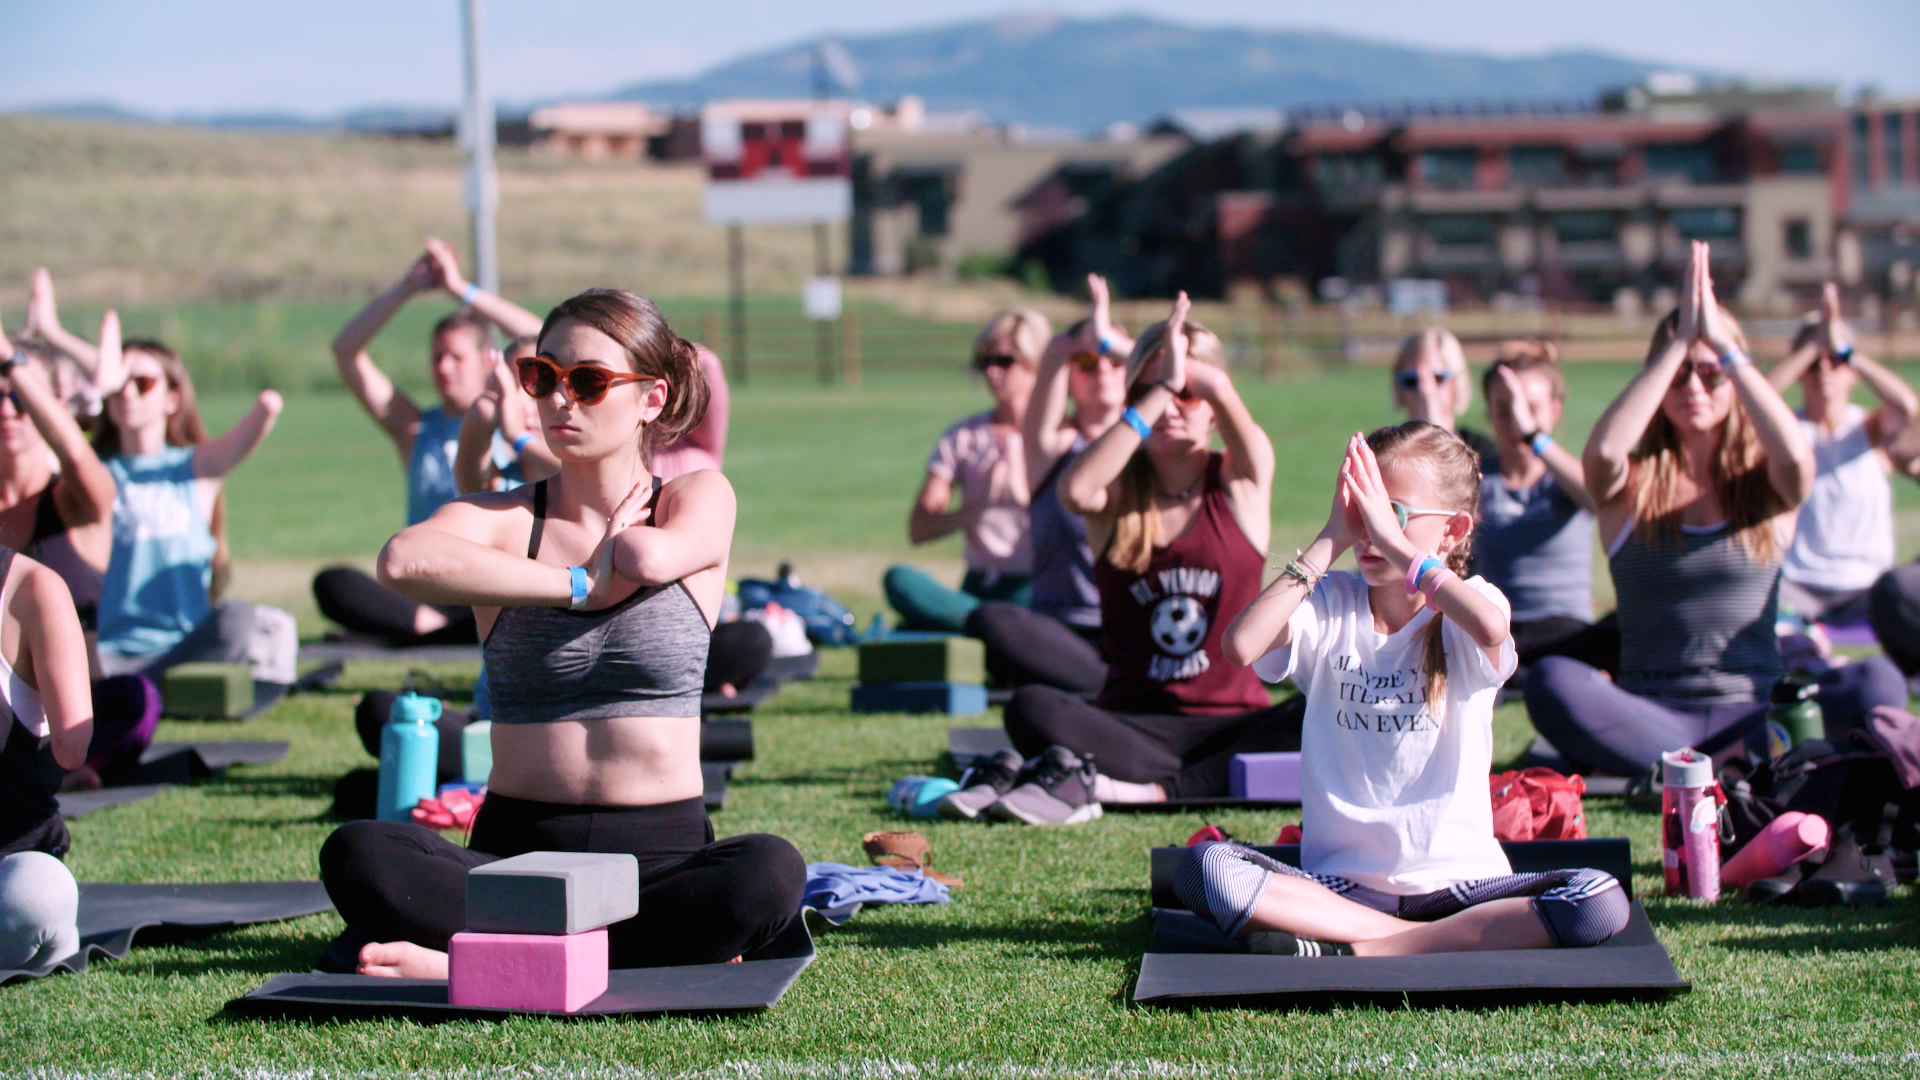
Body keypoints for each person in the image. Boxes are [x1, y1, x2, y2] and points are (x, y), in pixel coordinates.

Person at [318, 288, 804, 976]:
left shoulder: (695, 494)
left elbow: (648, 557)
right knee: (358, 852)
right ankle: (625, 959)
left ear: (652, 398)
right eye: (542, 377)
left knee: (770, 871)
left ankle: (480, 962)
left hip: (659, 858)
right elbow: (401, 559)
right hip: (517, 852)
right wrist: (574, 585)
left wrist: (612, 559)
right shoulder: (507, 518)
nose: (558, 400)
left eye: (587, 381)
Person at [1173, 423, 1628, 957]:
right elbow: (1241, 646)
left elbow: (1491, 630)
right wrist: (1330, 538)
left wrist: (1399, 549)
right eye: (1363, 511)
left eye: (1393, 513)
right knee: (1207, 869)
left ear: (1453, 529)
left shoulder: (1472, 603)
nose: (1372, 531)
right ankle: (1404, 942)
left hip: (1459, 886)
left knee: (1599, 898)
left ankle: (1356, 947)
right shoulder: (1331, 604)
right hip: (1339, 887)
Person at [1525, 243, 1907, 776]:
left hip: (1756, 708)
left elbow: (1797, 454)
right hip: (1650, 711)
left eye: (1710, 373)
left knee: (1878, 682)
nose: (1694, 386)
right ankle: (1723, 766)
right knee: (1552, 681)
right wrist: (1680, 340)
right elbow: (1605, 452)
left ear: (1734, 373)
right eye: (1679, 373)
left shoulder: (1767, 485)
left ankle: (1696, 767)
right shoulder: (1630, 487)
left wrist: (1726, 348)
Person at [952, 294, 1301, 825]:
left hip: (1235, 722)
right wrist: (1158, 389)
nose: (1174, 406)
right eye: (1157, 393)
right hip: (1132, 723)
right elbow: (1075, 489)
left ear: (1213, 400)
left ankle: (1157, 789)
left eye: (1190, 393)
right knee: (1031, 707)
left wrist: (1193, 371)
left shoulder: (1239, 480)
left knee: (1319, 706)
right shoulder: (1116, 489)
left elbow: (1243, 428)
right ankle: (1188, 779)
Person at [310, 238, 543, 647]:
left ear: (488, 360)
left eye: (456, 357)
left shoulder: (516, 420)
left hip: (498, 580)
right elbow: (346, 351)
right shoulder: (415, 428)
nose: (443, 367)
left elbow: (542, 338)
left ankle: (441, 633)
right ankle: (440, 632)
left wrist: (460, 289)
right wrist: (407, 288)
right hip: (431, 588)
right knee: (333, 584)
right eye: (436, 357)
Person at [0, 311, 159, 784]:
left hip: (73, 715)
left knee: (137, 700)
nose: (8, 410)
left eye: (19, 399)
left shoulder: (78, 503)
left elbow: (74, 453)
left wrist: (13, 362)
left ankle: (64, 770)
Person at [966, 276, 1131, 694]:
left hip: (1135, 628)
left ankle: (1109, 689)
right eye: (1089, 363)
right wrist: (1077, 339)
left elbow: (1188, 377)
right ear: (1067, 375)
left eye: (1115, 361)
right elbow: (1052, 371)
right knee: (994, 623)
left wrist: (1109, 339)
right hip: (1064, 631)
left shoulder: (1152, 450)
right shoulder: (1052, 447)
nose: (1104, 371)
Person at [90, 339, 287, 682]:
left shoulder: (196, 469)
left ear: (173, 398)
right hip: (107, 651)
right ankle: (144, 689)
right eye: (119, 384)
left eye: (143, 383)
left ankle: (150, 688)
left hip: (184, 649)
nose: (128, 394)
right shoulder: (91, 474)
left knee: (238, 619)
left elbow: (268, 407)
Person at [882, 308, 1047, 634]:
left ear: (1036, 363)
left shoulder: (1058, 436)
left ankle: (984, 631)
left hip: (1038, 587)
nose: (992, 373)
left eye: (1004, 361)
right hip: (979, 585)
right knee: (900, 581)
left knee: (910, 630)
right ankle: (992, 631)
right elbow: (919, 528)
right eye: (985, 362)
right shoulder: (965, 437)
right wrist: (974, 513)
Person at [1767, 283, 1914, 627]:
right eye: (1814, 364)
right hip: (1797, 586)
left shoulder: (1872, 427)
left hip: (1867, 588)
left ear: (1851, 369)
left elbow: (1907, 407)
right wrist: (1813, 347)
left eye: (1835, 361)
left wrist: (1848, 351)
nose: (1825, 371)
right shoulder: (1786, 429)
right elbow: (1752, 401)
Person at [1475, 341, 1617, 678]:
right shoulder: (1478, 478)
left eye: (1529, 409)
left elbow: (1603, 501)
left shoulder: (1567, 477)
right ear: (1489, 413)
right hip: (1494, 628)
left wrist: (1535, 436)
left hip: (1566, 630)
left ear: (1554, 410)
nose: (1515, 422)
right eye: (1504, 409)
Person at [0, 544, 98, 861]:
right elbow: (71, 747)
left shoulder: (34, 586)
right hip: (18, 857)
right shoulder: (35, 586)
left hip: (17, 862)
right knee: (39, 897)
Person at [1392, 328, 1499, 474]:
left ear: (1458, 382)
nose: (1425, 390)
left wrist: (1434, 429)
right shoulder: (1385, 449)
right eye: (1412, 380)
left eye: (1438, 378)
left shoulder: (1483, 450)